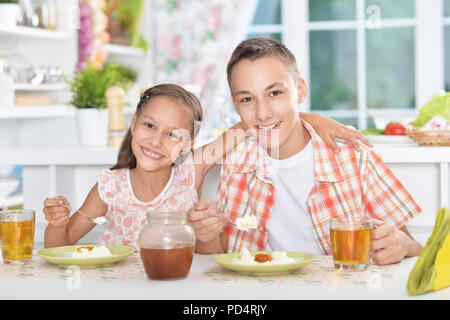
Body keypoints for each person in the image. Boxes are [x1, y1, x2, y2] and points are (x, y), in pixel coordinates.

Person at [42, 83, 367, 250]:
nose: (156, 142)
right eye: (149, 126)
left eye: (172, 135)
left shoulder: (191, 171)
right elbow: (61, 243)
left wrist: (315, 118)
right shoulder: (109, 186)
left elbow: (252, 124)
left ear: (188, 144)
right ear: (133, 124)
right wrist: (57, 223)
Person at [188, 37, 423, 265]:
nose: (262, 113)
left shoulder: (354, 158)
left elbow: (413, 248)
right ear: (235, 104)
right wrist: (205, 234)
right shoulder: (238, 160)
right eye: (247, 99)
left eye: (275, 93)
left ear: (300, 90)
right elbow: (222, 249)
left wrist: (404, 246)